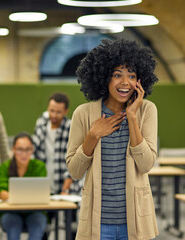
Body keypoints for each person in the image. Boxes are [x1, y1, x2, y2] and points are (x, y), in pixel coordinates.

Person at [66, 38, 159, 240]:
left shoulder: (146, 111)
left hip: (135, 219)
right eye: (117, 75)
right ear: (104, 77)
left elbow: (145, 164)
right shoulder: (83, 114)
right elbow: (74, 171)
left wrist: (132, 117)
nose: (125, 82)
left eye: (131, 76)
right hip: (98, 222)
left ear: (140, 81)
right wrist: (93, 135)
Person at [0, 132, 47, 240]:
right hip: (11, 212)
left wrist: (14, 196)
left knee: (37, 227)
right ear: (13, 149)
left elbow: (43, 192)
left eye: (27, 149)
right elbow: (2, 192)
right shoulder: (5, 167)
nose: (24, 154)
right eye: (20, 149)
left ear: (32, 150)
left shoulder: (40, 166)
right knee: (13, 229)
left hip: (35, 211)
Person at [33, 92, 80, 195]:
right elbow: (34, 150)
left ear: (66, 111)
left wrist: (65, 188)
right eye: (51, 111)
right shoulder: (41, 122)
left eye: (58, 112)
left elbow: (74, 161)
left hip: (62, 181)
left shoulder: (70, 128)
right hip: (43, 180)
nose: (54, 115)